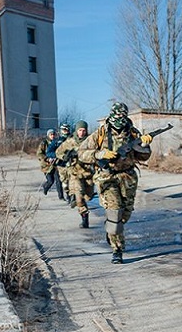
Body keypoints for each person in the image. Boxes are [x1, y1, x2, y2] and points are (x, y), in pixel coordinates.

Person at [78, 103, 152, 264]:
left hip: (128, 177)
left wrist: (145, 145)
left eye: (122, 116)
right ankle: (117, 249)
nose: (119, 119)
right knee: (114, 211)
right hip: (107, 177)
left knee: (125, 214)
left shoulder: (132, 133)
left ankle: (111, 229)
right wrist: (99, 153)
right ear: (111, 115)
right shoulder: (101, 133)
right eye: (116, 115)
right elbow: (81, 153)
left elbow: (143, 157)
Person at [56, 120, 95, 228]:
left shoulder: (91, 141)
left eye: (83, 130)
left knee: (88, 196)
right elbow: (58, 152)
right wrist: (67, 156)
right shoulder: (70, 142)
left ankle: (80, 202)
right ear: (76, 130)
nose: (81, 132)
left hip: (88, 173)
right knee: (79, 198)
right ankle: (84, 218)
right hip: (75, 173)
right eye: (80, 130)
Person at [36, 129, 64, 200]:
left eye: (53, 134)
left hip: (55, 165)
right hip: (47, 166)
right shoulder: (44, 143)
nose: (53, 136)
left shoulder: (57, 142)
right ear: (48, 135)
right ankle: (45, 187)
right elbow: (39, 154)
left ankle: (61, 196)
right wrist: (47, 159)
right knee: (50, 181)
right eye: (51, 134)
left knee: (58, 180)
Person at [56, 122, 73, 205]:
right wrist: (59, 156)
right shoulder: (57, 140)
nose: (66, 131)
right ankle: (67, 194)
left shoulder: (72, 139)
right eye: (64, 129)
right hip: (61, 164)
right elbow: (50, 152)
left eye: (67, 129)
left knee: (73, 181)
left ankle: (72, 197)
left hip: (71, 164)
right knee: (64, 183)